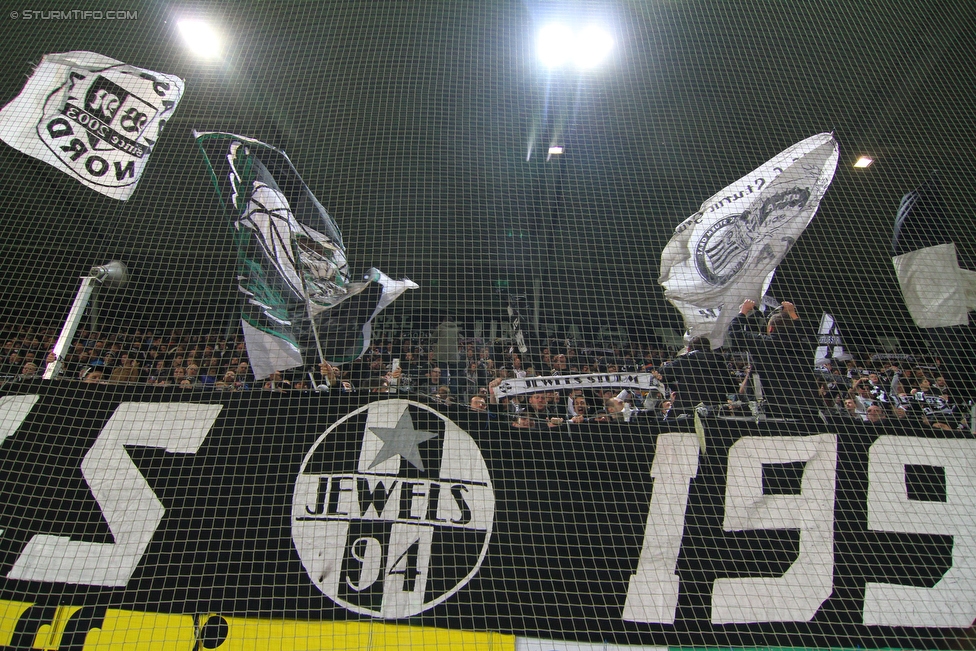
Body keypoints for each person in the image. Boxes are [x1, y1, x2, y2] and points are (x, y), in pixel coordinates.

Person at [727, 299, 821, 419]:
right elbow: (810, 335)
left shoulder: (764, 344)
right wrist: (793, 314)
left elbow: (735, 333)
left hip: (776, 410)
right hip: (808, 410)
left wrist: (743, 311)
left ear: (770, 329)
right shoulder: (807, 346)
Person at [657, 336, 736, 415]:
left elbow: (661, 374)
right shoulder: (719, 363)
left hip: (688, 411)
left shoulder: (684, 361)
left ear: (688, 349)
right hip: (717, 412)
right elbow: (733, 387)